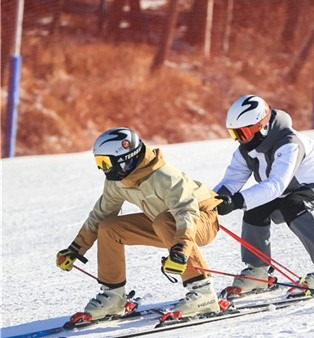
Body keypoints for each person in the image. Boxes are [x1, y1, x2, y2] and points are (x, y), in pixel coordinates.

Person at [56, 127, 222, 320]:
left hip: (200, 220)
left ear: (124, 158)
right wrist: (75, 249)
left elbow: (186, 213)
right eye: (99, 162)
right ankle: (114, 296)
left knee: (164, 220)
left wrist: (180, 252)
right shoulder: (118, 181)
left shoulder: (166, 177)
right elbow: (100, 214)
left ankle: (203, 293)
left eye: (105, 162)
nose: (103, 169)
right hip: (164, 224)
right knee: (109, 227)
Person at [213, 95, 314, 297]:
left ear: (261, 127)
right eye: (233, 134)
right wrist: (213, 201)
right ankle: (257, 271)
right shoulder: (247, 150)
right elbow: (230, 182)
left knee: (293, 204)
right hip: (297, 189)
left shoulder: (288, 144)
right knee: (256, 207)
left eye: (241, 133)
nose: (238, 140)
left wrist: (235, 202)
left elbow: (275, 186)